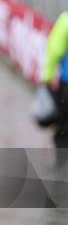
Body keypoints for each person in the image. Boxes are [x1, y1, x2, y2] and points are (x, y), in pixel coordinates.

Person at [40, 11, 68, 168]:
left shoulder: (66, 19)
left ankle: (62, 165)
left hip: (67, 84)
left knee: (64, 126)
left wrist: (48, 76)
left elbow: (54, 50)